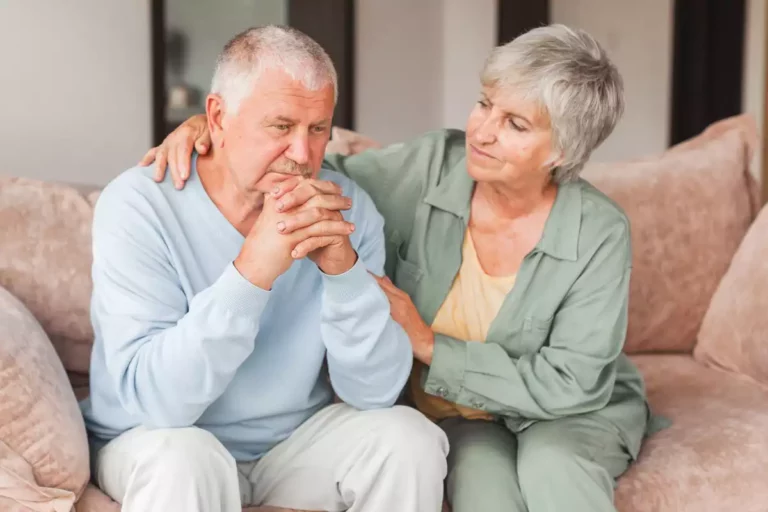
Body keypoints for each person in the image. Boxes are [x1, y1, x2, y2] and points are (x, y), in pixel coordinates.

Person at [146, 24, 652, 512]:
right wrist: (216, 129)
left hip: (568, 411)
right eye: (484, 105)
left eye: (515, 124)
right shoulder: (433, 164)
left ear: (563, 150)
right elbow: (307, 168)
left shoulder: (600, 232)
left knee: (553, 469)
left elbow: (573, 383)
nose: (483, 131)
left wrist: (428, 343)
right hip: (467, 418)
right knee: (483, 489)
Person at [81, 25, 448, 512]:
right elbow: (159, 405)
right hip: (157, 437)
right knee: (183, 459)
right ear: (217, 116)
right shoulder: (138, 204)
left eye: (318, 129)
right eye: (281, 127)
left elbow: (376, 392)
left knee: (408, 439)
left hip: (291, 445)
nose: (302, 155)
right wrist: (252, 272)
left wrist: (345, 272)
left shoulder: (347, 207)